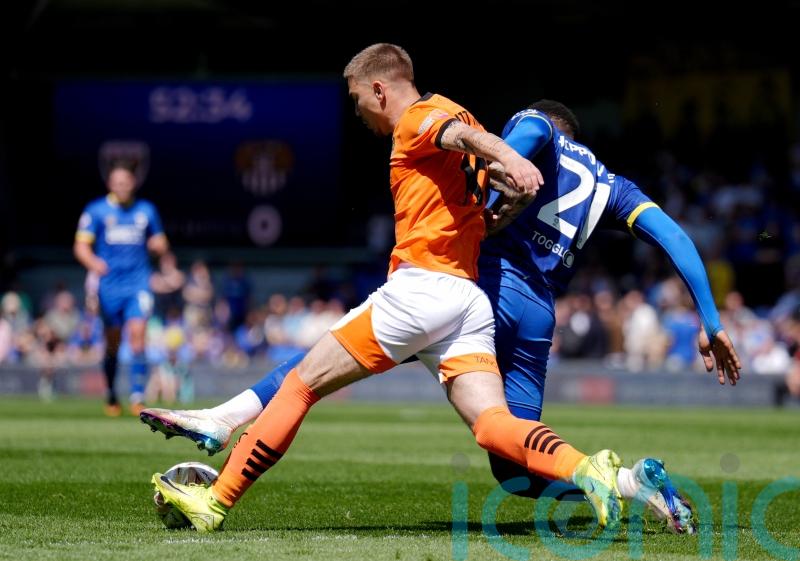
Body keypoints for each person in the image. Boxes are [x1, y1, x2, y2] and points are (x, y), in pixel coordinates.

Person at [144, 100, 742, 534]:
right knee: (514, 468)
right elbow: (673, 236)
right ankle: (630, 484)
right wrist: (711, 321)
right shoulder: (613, 185)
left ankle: (225, 420)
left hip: (480, 284)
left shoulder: (538, 125)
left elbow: (520, 143)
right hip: (536, 316)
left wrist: (491, 194)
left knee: (328, 359)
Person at [74, 159, 169, 416]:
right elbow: (80, 247)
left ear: (133, 183)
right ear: (109, 184)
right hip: (110, 286)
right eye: (117, 182)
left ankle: (138, 396)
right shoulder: (96, 211)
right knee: (112, 343)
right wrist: (94, 263)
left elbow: (160, 242)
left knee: (138, 336)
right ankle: (111, 394)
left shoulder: (146, 211)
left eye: (126, 182)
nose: (122, 186)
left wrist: (159, 247)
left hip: (138, 283)